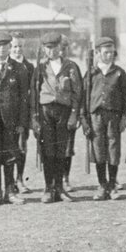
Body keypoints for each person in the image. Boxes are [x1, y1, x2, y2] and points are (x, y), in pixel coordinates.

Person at [0, 31, 31, 205]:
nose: (2, 49)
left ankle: (10, 191)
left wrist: (23, 123)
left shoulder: (19, 69)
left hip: (11, 119)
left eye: (5, 45)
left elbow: (24, 98)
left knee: (10, 155)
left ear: (10, 47)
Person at [35, 32, 83, 203]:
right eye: (48, 48)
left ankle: (60, 188)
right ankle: (48, 188)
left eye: (54, 47)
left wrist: (74, 115)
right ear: (43, 49)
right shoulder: (40, 67)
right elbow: (34, 93)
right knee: (47, 151)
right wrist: (35, 118)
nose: (51, 51)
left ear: (60, 47)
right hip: (45, 112)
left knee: (61, 151)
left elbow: (77, 93)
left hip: (63, 112)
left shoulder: (71, 67)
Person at [84, 37, 126, 200]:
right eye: (105, 52)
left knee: (113, 149)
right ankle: (102, 185)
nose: (109, 55)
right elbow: (85, 98)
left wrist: (124, 117)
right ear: (97, 53)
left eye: (111, 52)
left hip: (114, 116)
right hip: (95, 116)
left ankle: (112, 185)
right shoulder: (91, 73)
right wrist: (84, 119)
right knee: (98, 150)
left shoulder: (119, 73)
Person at [9, 32, 34, 192]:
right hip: (7, 114)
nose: (18, 50)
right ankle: (10, 181)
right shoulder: (6, 65)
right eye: (14, 46)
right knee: (8, 148)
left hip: (23, 114)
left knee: (21, 146)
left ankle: (20, 178)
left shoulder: (29, 67)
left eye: (20, 46)